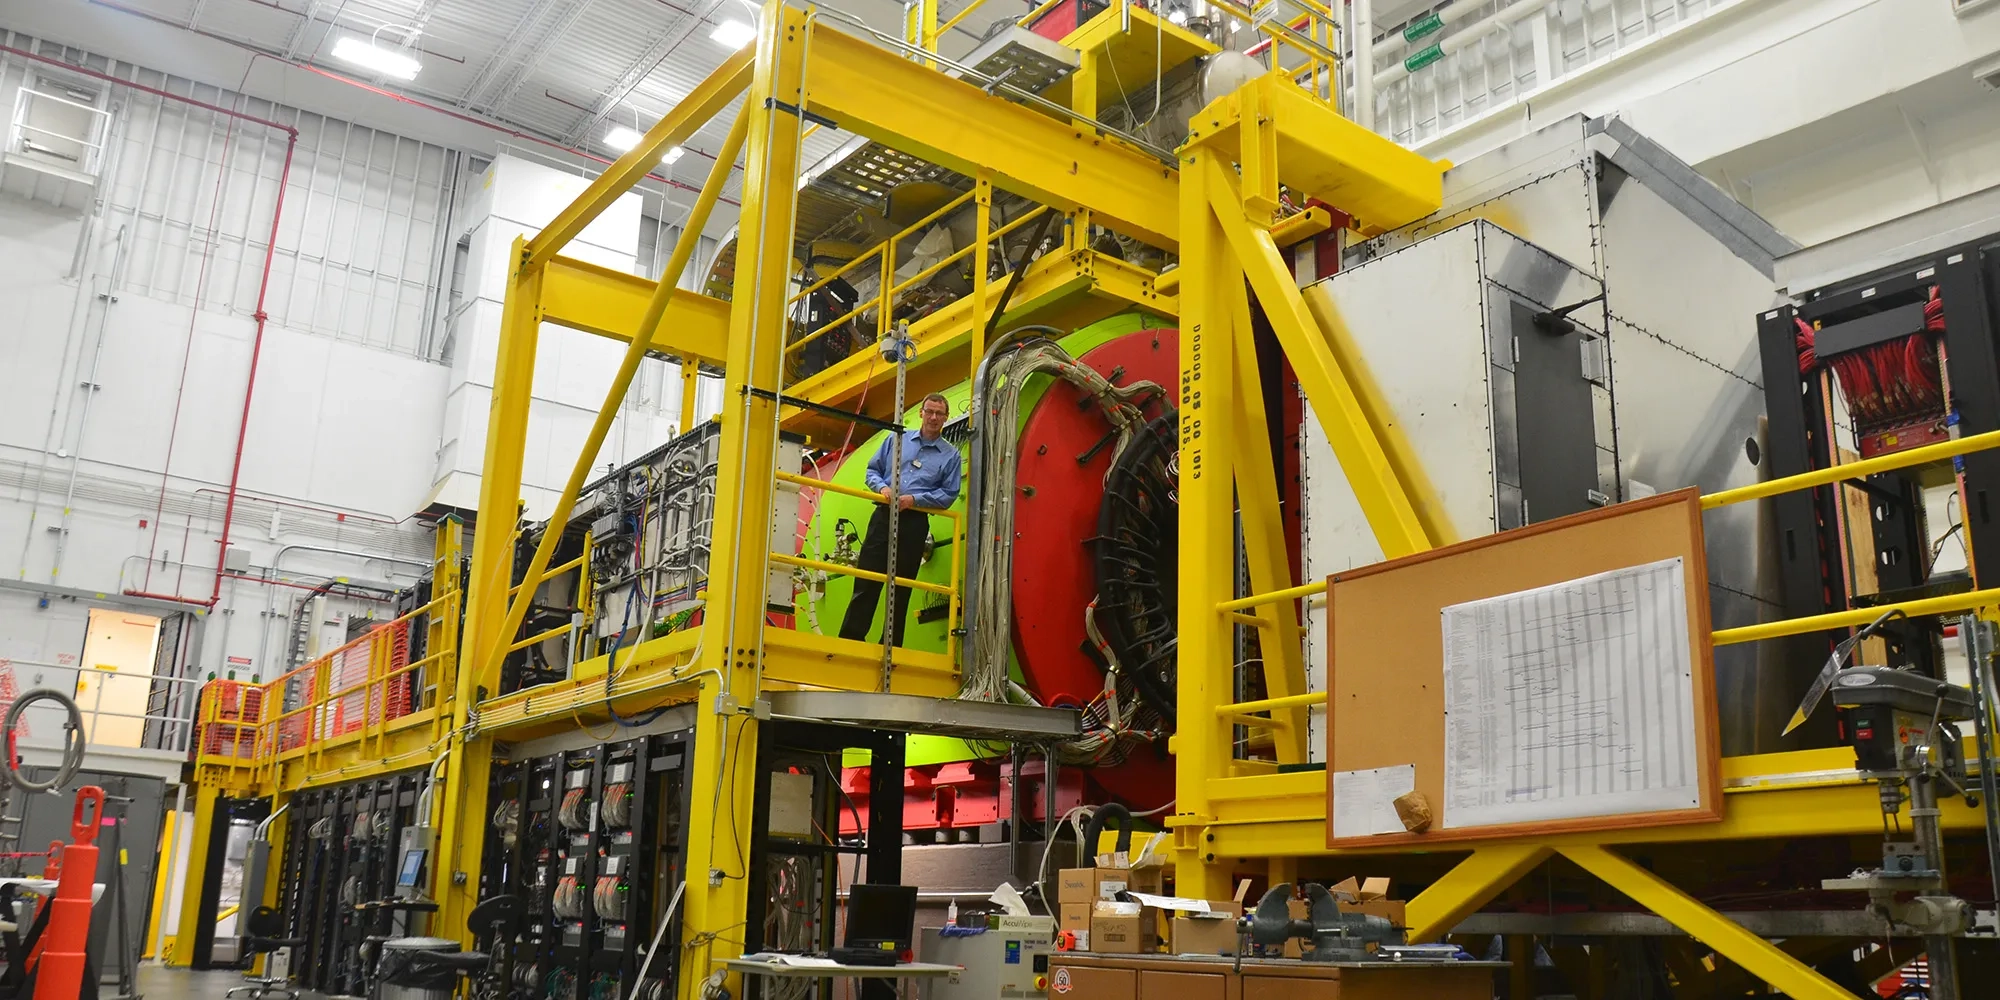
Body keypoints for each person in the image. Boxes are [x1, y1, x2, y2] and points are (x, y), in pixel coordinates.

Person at [840, 393, 961, 647]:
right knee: (867, 579)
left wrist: (914, 500)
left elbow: (948, 494)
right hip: (884, 515)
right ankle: (850, 640)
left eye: (939, 414)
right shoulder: (897, 439)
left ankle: (891, 646)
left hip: (914, 522)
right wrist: (883, 489)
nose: (933, 417)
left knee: (901, 587)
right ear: (921, 413)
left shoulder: (950, 456)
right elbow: (872, 470)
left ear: (946, 418)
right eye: (929, 411)